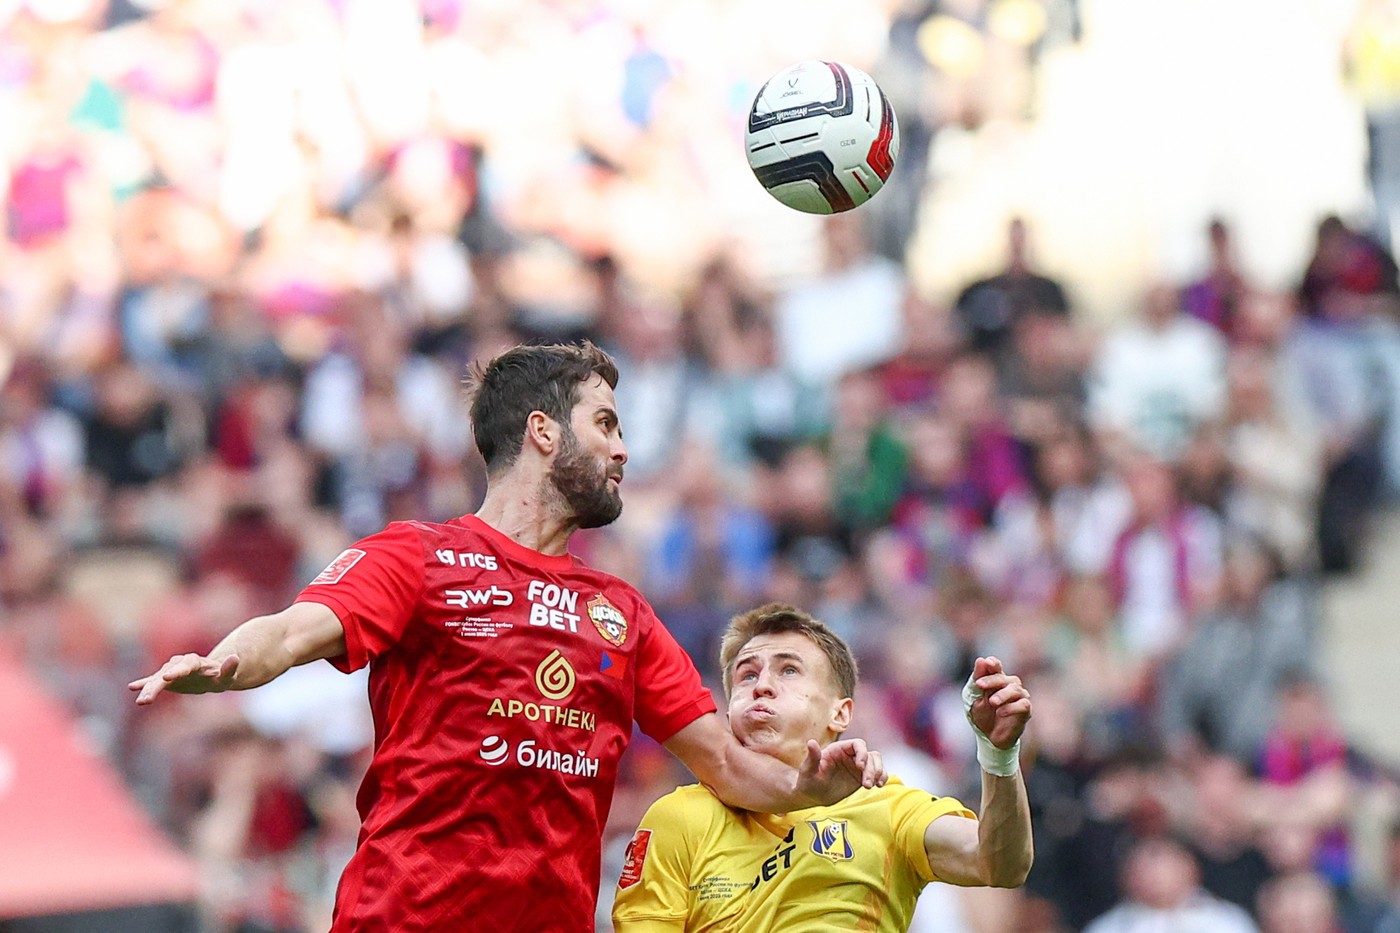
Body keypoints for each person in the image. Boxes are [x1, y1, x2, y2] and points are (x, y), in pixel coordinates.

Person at [129, 342, 886, 932]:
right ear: (542, 431)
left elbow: (722, 760)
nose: (623, 450)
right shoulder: (419, 557)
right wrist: (227, 662)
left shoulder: (622, 612)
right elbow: (296, 629)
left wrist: (811, 788)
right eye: (605, 424)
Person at [611, 603, 1034, 932]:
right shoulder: (678, 818)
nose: (762, 685)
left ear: (840, 712)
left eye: (789, 670)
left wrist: (997, 755)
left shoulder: (888, 806)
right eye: (747, 675)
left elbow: (1001, 864)